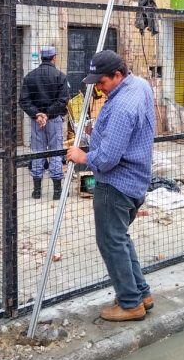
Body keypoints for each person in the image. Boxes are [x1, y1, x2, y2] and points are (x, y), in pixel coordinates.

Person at [65, 50, 154, 322]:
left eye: (102, 82)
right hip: (136, 180)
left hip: (116, 186)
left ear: (117, 75)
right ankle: (141, 293)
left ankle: (130, 304)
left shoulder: (121, 107)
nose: (99, 89)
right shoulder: (139, 85)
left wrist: (82, 156)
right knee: (120, 238)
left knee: (110, 241)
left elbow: (106, 159)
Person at [19, 46, 69, 200]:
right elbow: (63, 100)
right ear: (54, 57)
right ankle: (57, 192)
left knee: (37, 152)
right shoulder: (60, 76)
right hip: (53, 120)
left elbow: (24, 101)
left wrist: (38, 115)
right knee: (55, 151)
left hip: (37, 122)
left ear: (41, 58)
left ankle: (37, 191)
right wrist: (47, 115)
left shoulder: (30, 77)